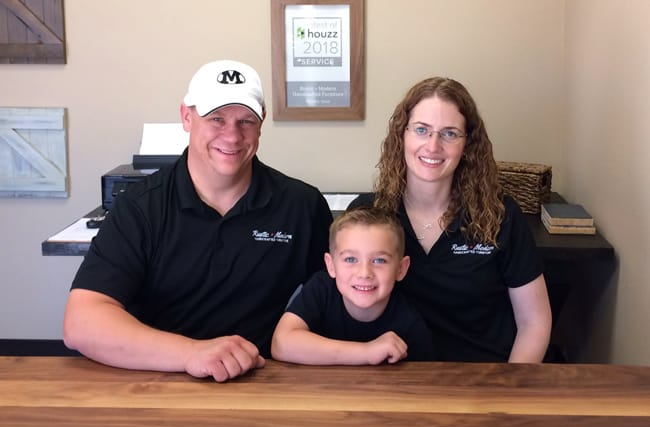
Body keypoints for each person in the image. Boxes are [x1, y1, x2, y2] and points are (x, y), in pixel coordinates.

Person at [63, 60, 333, 381]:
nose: (232, 136)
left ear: (261, 122)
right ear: (186, 117)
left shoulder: (301, 205)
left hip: (262, 379)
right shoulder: (140, 207)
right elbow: (81, 322)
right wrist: (192, 353)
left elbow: (338, 299)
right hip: (156, 378)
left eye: (245, 120)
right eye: (216, 118)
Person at [349, 77, 552, 363]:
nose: (433, 146)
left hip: (486, 379)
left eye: (449, 134)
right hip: (396, 377)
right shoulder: (369, 214)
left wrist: (512, 391)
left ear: (468, 144)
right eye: (422, 130)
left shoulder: (500, 215)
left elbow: (535, 323)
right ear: (402, 136)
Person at [271, 206, 436, 365]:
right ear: (331, 265)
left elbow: (425, 381)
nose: (364, 273)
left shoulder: (409, 322)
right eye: (350, 259)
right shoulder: (321, 290)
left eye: (379, 260)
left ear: (401, 269)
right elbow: (281, 343)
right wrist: (366, 352)